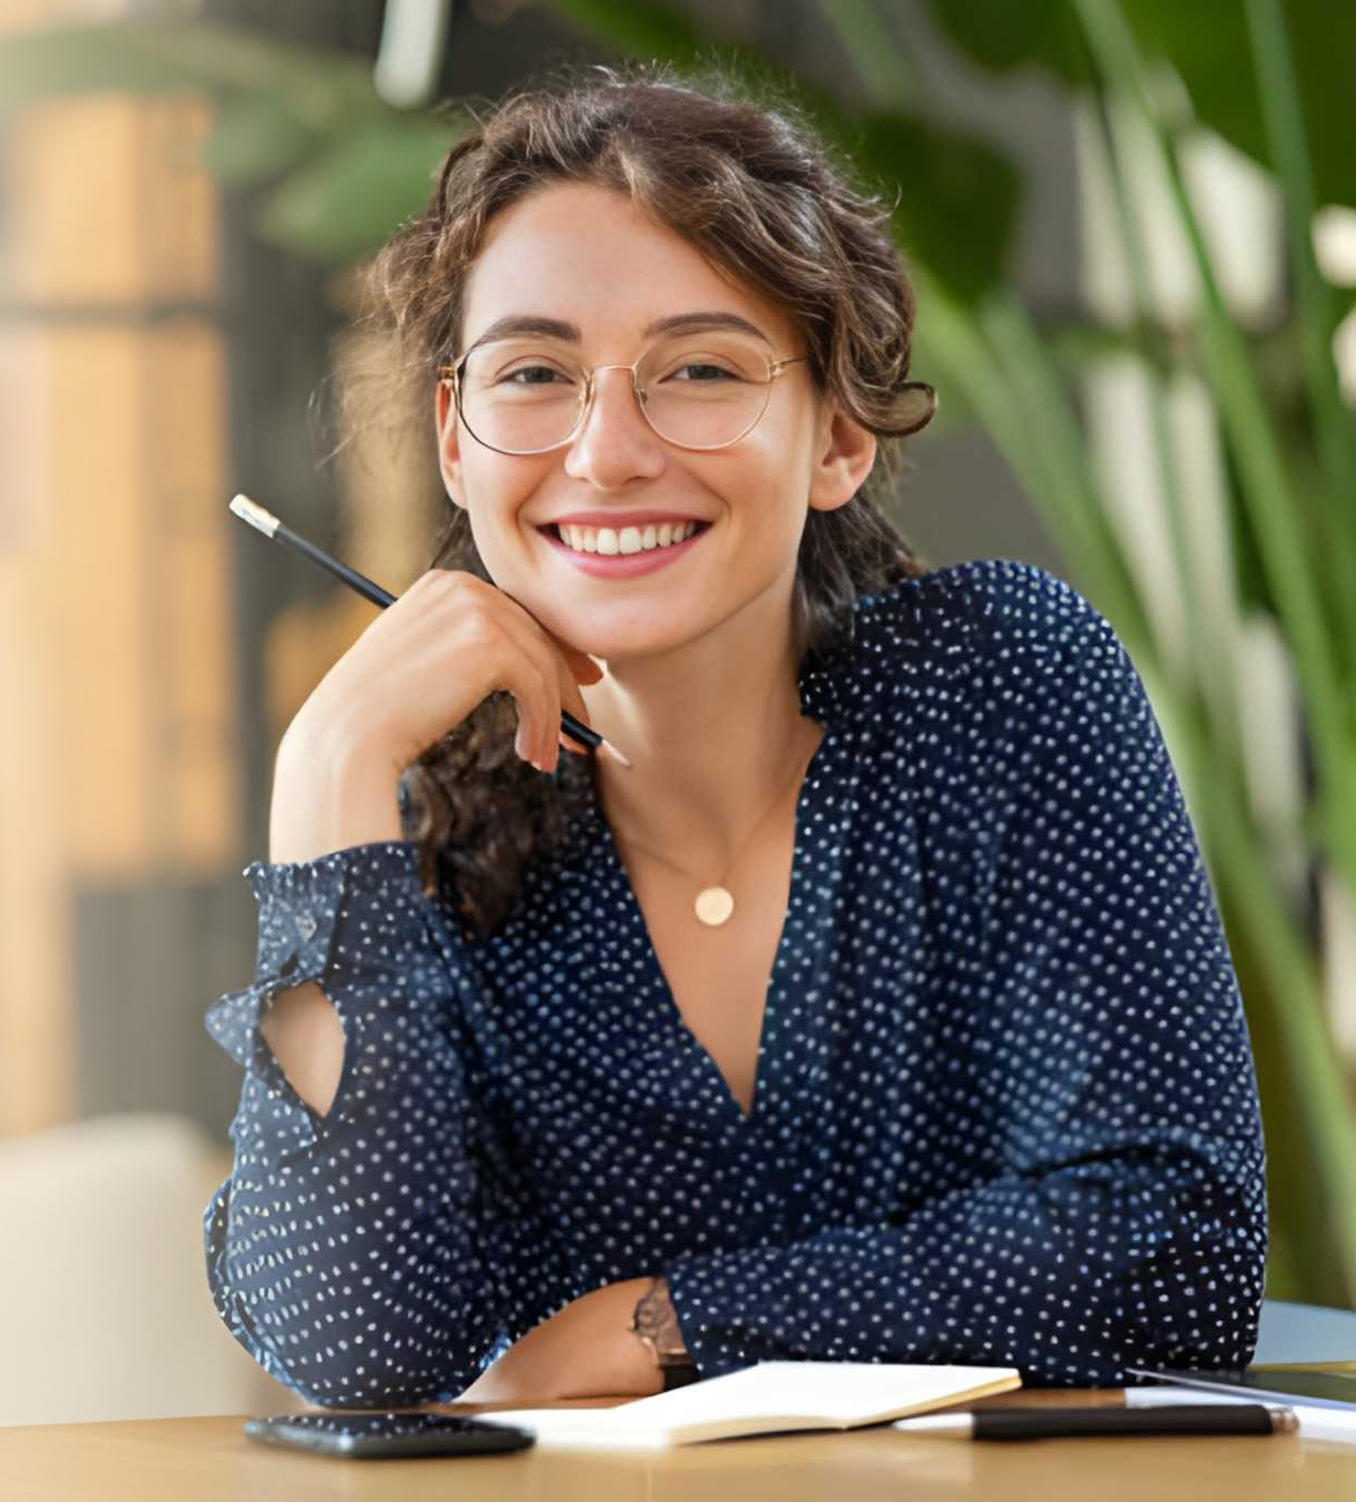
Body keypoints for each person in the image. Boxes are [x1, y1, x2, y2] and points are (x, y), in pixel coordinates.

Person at [203, 59, 1267, 1410]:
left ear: (836, 436)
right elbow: (355, 1348)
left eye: (699, 370)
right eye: (534, 373)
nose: (606, 452)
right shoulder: (406, 854)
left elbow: (1172, 1249)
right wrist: (326, 771)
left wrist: (660, 1321)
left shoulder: (997, 685)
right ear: (457, 442)